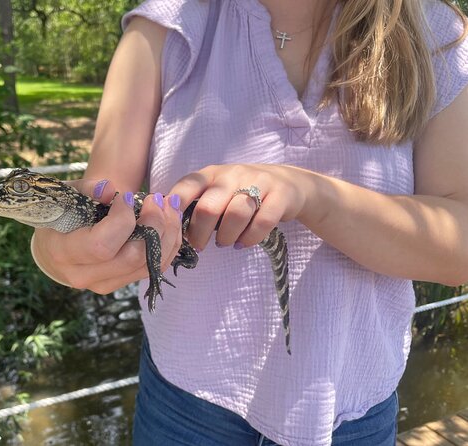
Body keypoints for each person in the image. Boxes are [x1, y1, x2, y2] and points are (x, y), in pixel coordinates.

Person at [30, 0, 468, 444]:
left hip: (356, 412)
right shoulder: (162, 26)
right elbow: (99, 203)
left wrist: (311, 195)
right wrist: (54, 252)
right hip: (184, 408)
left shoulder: (436, 34)